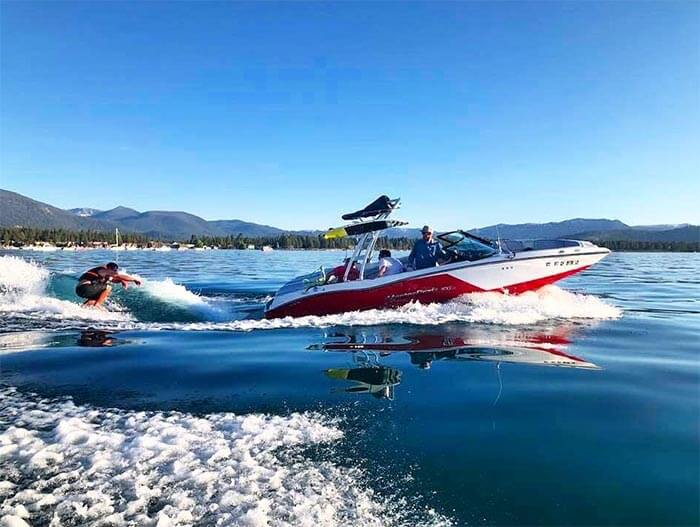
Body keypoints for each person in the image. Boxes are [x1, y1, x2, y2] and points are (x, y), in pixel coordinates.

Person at [75, 262, 141, 308]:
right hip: (85, 287)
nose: (113, 271)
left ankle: (84, 308)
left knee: (96, 298)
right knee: (108, 287)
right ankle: (97, 306)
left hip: (81, 290)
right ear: (107, 268)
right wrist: (134, 279)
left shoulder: (105, 275)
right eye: (112, 270)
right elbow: (118, 275)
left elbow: (114, 279)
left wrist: (121, 281)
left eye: (114, 270)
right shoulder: (102, 270)